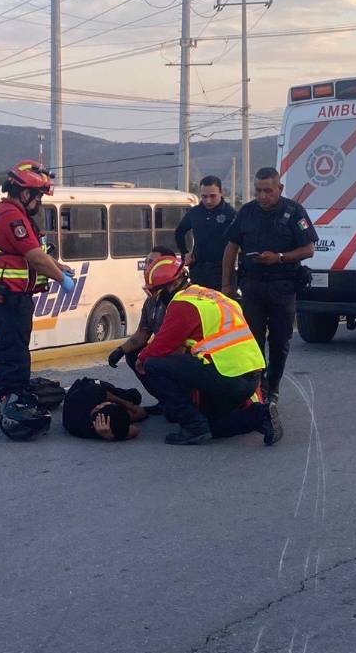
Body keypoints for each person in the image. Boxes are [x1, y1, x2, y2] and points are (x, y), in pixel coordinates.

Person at [136, 255, 281, 446]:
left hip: (227, 374)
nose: (157, 299)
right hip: (251, 376)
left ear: (171, 286)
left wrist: (141, 358)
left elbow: (161, 346)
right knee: (214, 427)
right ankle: (260, 416)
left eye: (157, 293)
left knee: (153, 364)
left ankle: (192, 426)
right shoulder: (212, 296)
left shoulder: (182, 305)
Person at [0, 160, 74, 439]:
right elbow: (34, 257)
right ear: (25, 194)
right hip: (7, 296)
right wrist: (62, 279)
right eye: (38, 197)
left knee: (12, 348)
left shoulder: (6, 212)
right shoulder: (13, 217)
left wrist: (57, 265)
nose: (39, 203)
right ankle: (12, 404)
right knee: (15, 353)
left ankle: (7, 398)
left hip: (8, 295)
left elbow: (30, 253)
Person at [222, 167, 317, 404]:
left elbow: (309, 249)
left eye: (268, 191)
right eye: (258, 191)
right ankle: (257, 387)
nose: (263, 196)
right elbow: (231, 247)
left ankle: (273, 387)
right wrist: (227, 285)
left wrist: (279, 257)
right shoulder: (246, 212)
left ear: (280, 189)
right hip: (252, 286)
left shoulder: (294, 212)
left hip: (282, 286)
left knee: (279, 341)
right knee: (252, 341)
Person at [107, 245, 177, 412]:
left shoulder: (179, 299)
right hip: (165, 352)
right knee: (134, 355)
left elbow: (175, 342)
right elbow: (143, 333)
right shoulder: (151, 301)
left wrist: (148, 355)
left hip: (182, 354)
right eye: (146, 263)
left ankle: (183, 408)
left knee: (151, 362)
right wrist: (120, 351)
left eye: (151, 263)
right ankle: (165, 401)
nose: (146, 267)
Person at [174, 175, 235, 290]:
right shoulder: (195, 213)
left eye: (212, 196)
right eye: (204, 196)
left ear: (221, 193)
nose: (208, 200)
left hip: (222, 272)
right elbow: (179, 232)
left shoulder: (230, 214)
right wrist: (185, 254)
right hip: (199, 271)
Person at [61, 377, 147, 441]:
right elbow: (135, 430)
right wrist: (112, 436)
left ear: (98, 406)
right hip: (88, 399)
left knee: (135, 396)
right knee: (135, 414)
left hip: (90, 385)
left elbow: (105, 394)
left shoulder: (88, 394)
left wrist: (126, 403)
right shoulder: (84, 429)